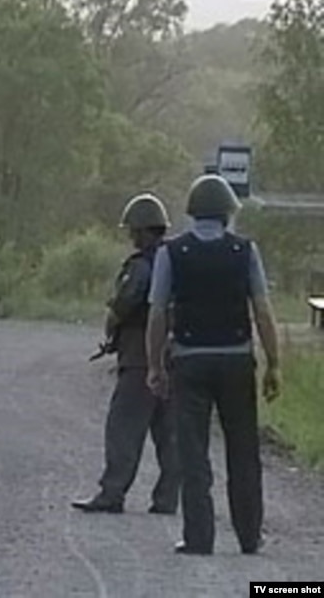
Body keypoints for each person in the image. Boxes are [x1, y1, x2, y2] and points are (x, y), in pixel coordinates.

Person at [146, 174, 281, 556]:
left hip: (189, 360)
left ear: (192, 212)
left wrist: (155, 366)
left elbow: (158, 314)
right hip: (237, 360)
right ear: (227, 213)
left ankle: (199, 537)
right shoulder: (245, 251)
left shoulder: (171, 253)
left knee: (193, 451)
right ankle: (249, 536)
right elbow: (263, 310)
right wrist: (273, 363)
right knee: (243, 450)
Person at [72, 194, 180, 514]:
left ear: (143, 230)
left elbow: (125, 303)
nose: (131, 236)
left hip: (139, 358)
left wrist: (112, 325)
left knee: (123, 427)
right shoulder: (176, 260)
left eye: (133, 230)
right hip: (174, 356)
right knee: (169, 432)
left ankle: (112, 492)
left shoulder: (141, 266)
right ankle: (167, 498)